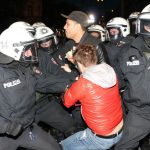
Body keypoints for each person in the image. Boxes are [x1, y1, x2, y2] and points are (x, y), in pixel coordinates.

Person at [0, 27, 73, 150]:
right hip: (4, 134)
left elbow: (43, 81)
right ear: (13, 49)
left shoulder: (23, 66)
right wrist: (6, 127)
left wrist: (72, 83)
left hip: (26, 127)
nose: (31, 53)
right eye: (27, 49)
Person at [60, 44, 123, 150]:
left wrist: (67, 88)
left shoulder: (83, 84)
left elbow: (67, 102)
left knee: (62, 146)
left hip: (100, 138)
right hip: (119, 130)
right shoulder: (109, 70)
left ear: (79, 63)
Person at [114, 4, 150, 150]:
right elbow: (117, 81)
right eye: (149, 25)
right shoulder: (127, 52)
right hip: (140, 112)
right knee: (123, 146)